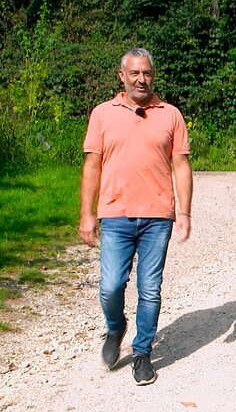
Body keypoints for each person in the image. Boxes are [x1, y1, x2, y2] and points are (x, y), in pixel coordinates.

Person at [78, 48, 193, 386]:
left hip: (158, 216)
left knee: (150, 288)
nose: (142, 79)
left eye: (147, 73)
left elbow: (181, 166)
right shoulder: (102, 114)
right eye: (135, 73)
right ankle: (116, 328)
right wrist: (87, 213)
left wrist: (184, 212)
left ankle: (142, 352)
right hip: (115, 214)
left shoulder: (170, 114)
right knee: (111, 284)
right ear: (122, 76)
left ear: (152, 76)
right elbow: (92, 166)